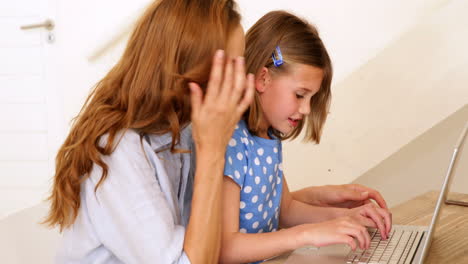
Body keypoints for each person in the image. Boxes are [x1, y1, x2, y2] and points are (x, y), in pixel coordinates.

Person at [43, 0, 255, 263]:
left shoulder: (184, 133)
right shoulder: (116, 150)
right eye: (229, 69)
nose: (241, 82)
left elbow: (206, 244)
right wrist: (213, 151)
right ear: (190, 67)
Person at [220, 11, 392, 263]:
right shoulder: (231, 140)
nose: (306, 110)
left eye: (311, 98)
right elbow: (225, 248)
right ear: (262, 79)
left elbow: (285, 209)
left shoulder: (267, 137)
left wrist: (344, 219)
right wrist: (307, 234)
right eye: (300, 95)